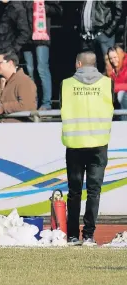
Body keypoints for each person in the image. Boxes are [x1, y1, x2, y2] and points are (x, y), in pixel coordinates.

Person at [60, 51, 114, 246]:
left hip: (75, 145)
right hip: (99, 145)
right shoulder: (107, 83)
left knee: (74, 191)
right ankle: (89, 235)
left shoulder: (67, 84)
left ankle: (73, 235)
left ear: (79, 64)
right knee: (94, 191)